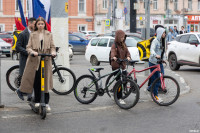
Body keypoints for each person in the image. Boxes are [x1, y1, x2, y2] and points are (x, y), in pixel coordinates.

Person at [16, 17, 56, 112]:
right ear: (36, 25)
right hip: (35, 60)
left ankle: (46, 102)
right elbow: (28, 47)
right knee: (37, 81)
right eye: (39, 24)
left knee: (45, 82)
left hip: (46, 60)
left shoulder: (49, 34)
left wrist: (53, 52)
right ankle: (37, 100)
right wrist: (32, 52)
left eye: (42, 24)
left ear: (44, 25)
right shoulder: (33, 34)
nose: (41, 25)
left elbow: (52, 46)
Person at [16, 17, 36, 102]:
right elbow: (18, 47)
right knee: (27, 78)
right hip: (25, 58)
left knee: (32, 77)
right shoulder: (23, 34)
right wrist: (27, 52)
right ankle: (21, 91)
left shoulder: (35, 33)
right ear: (30, 23)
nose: (35, 26)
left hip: (33, 59)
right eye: (34, 24)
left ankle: (29, 96)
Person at [144, 27, 166, 103]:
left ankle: (149, 88)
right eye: (163, 33)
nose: (164, 34)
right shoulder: (155, 41)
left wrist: (164, 59)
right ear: (160, 33)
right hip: (153, 62)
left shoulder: (162, 41)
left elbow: (163, 52)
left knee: (162, 77)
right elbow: (152, 50)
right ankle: (155, 96)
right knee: (157, 80)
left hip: (159, 62)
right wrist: (155, 55)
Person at [110, 30, 131, 104]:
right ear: (118, 37)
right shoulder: (114, 45)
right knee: (120, 81)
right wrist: (114, 57)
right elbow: (113, 52)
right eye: (121, 37)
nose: (123, 38)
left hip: (122, 65)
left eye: (123, 37)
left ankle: (114, 90)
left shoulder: (124, 44)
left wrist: (128, 57)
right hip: (116, 65)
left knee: (126, 78)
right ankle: (119, 98)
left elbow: (128, 53)